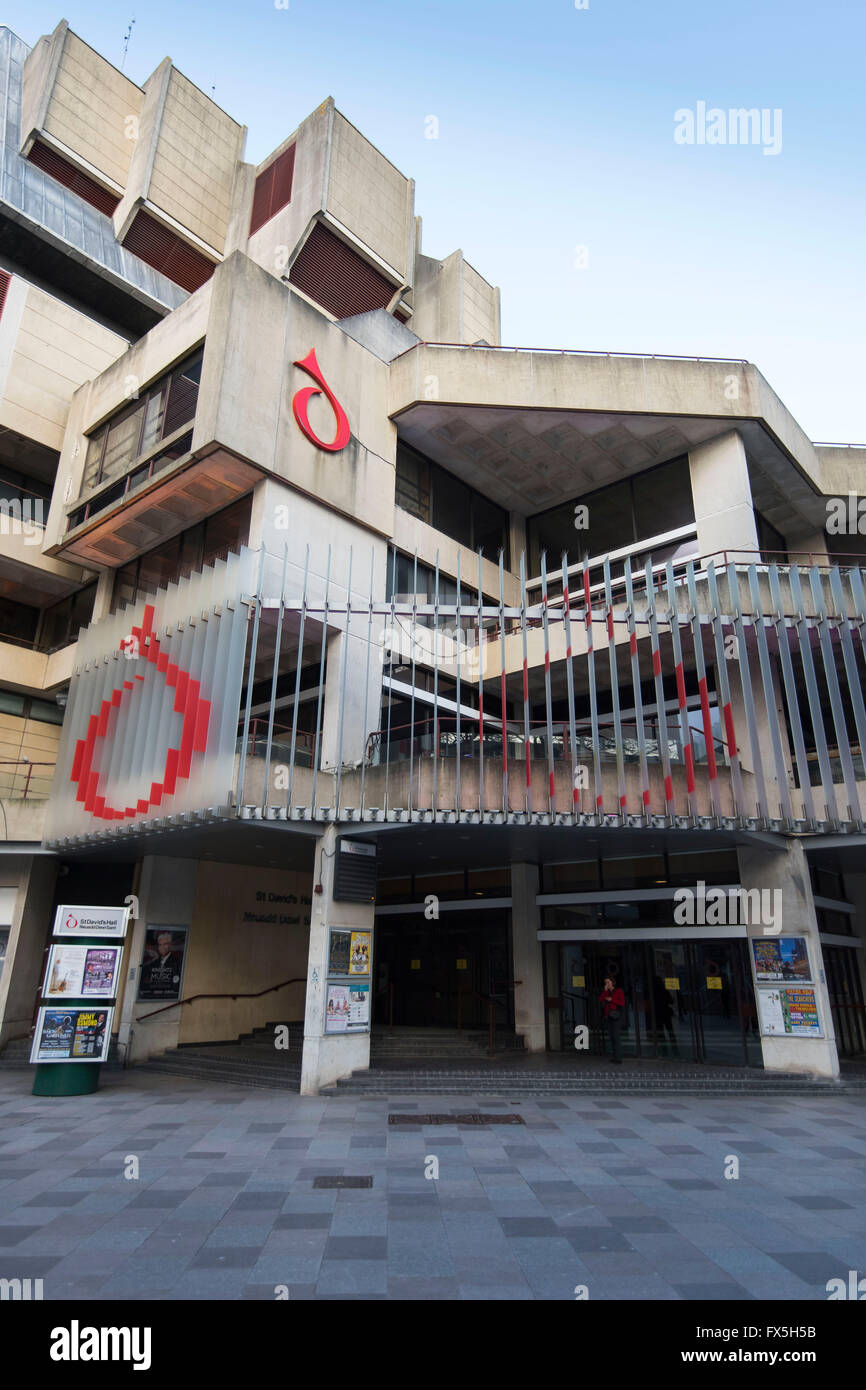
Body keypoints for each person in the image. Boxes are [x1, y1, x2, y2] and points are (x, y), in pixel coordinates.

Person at [600, 975, 626, 1063]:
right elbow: (601, 999)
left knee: (616, 1037)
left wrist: (612, 1000)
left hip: (616, 1017)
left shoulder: (619, 991)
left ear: (612, 982)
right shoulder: (606, 992)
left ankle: (618, 1058)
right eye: (605, 983)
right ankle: (615, 1057)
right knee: (612, 1037)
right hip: (609, 1017)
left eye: (608, 982)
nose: (607, 984)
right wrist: (604, 991)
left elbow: (622, 1003)